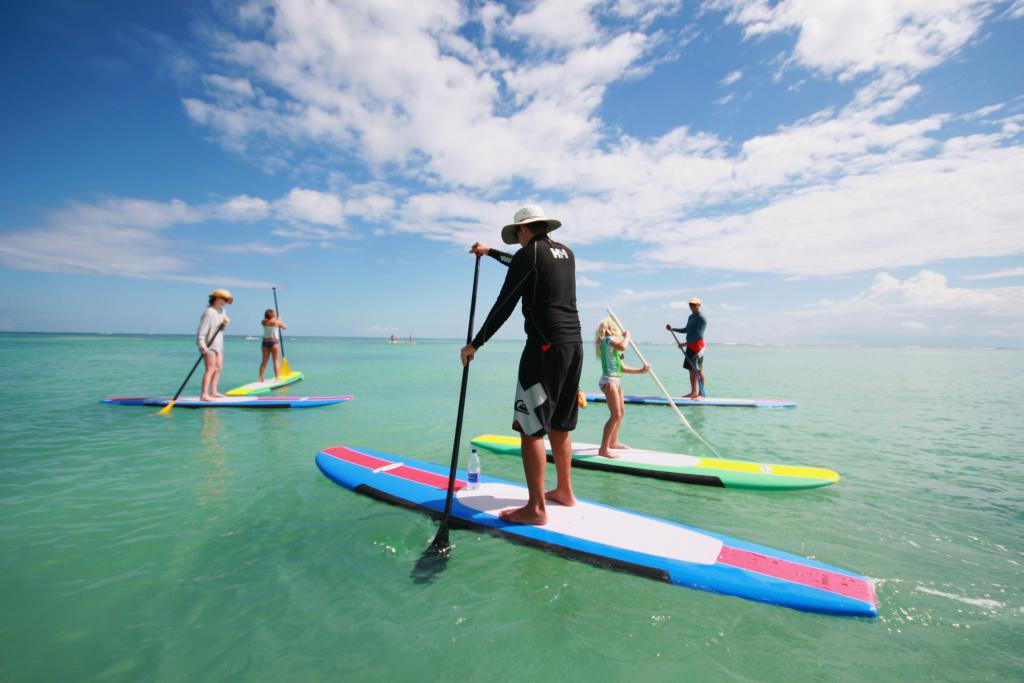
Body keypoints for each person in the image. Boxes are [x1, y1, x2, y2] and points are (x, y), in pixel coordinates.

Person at [460, 205, 583, 526]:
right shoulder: (565, 253)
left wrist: (476, 343)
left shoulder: (529, 254)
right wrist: (489, 253)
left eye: (517, 236)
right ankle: (565, 492)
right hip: (574, 346)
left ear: (524, 231)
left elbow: (505, 303)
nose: (517, 242)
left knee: (531, 430)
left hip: (543, 349)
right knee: (560, 425)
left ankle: (536, 508)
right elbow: (520, 263)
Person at [594, 318, 649, 458]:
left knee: (621, 413)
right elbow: (623, 346)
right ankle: (603, 449)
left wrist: (640, 371)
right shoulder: (606, 341)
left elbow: (622, 368)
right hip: (609, 381)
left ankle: (613, 442)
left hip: (617, 381)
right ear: (613, 328)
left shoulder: (614, 347)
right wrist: (628, 337)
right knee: (615, 415)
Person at [667, 297, 706, 399]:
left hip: (698, 347)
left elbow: (698, 335)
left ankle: (701, 394)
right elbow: (686, 330)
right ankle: (693, 392)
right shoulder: (690, 317)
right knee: (691, 370)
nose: (692, 307)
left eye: (694, 304)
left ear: (699, 305)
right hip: (690, 345)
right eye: (690, 305)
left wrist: (684, 344)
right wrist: (673, 329)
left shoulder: (701, 318)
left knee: (698, 370)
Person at [198, 289, 232, 401]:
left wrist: (225, 324)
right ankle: (204, 394)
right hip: (208, 344)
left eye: (226, 300)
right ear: (216, 298)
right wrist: (202, 345)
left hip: (218, 343)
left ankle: (213, 392)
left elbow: (221, 329)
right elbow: (201, 331)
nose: (225, 302)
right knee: (210, 369)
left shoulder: (223, 311)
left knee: (218, 368)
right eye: (223, 299)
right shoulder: (209, 312)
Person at [259, 308, 287, 382]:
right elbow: (285, 327)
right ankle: (277, 378)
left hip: (265, 343)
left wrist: (276, 319)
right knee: (276, 361)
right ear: (273, 315)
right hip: (274, 342)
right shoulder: (277, 322)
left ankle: (261, 378)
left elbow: (268, 320)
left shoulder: (263, 322)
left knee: (264, 361)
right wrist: (280, 320)